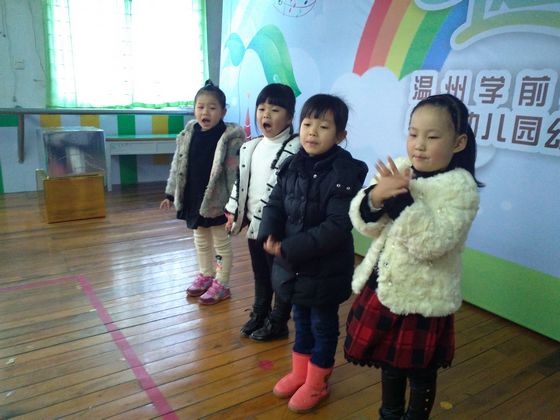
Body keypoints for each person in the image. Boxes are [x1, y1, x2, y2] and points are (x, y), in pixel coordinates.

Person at [344, 93, 483, 419]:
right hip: (385, 284)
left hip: (424, 298)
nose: (419, 145)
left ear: (459, 142)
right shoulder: (400, 169)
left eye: (432, 137)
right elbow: (367, 226)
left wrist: (399, 202)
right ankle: (389, 413)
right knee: (390, 364)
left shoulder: (461, 189)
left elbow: (432, 243)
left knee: (420, 372)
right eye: (413, 133)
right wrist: (375, 197)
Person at [258, 94, 368, 412]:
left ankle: (318, 383)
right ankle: (301, 373)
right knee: (300, 320)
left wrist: (288, 248)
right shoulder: (293, 163)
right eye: (307, 124)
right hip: (293, 266)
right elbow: (275, 203)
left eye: (323, 126)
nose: (312, 132)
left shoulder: (345, 173)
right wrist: (269, 232)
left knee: (322, 325)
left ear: (340, 135)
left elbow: (336, 226)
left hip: (325, 269)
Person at [225, 83, 300, 341]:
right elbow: (240, 182)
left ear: (289, 117)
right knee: (261, 273)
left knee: (281, 275)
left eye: (275, 110)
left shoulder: (296, 148)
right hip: (254, 224)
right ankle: (260, 313)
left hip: (280, 227)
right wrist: (233, 210)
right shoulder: (252, 147)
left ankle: (278, 321)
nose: (265, 115)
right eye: (261, 109)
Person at [161, 80, 245, 305]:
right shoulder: (188, 134)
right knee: (200, 240)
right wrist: (170, 193)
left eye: (212, 107)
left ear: (223, 112)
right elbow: (178, 165)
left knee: (221, 243)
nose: (205, 112)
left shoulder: (230, 139)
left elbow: (234, 174)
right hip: (194, 197)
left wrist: (234, 205)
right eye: (200, 107)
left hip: (218, 201)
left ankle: (222, 283)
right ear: (194, 108)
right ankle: (206, 274)